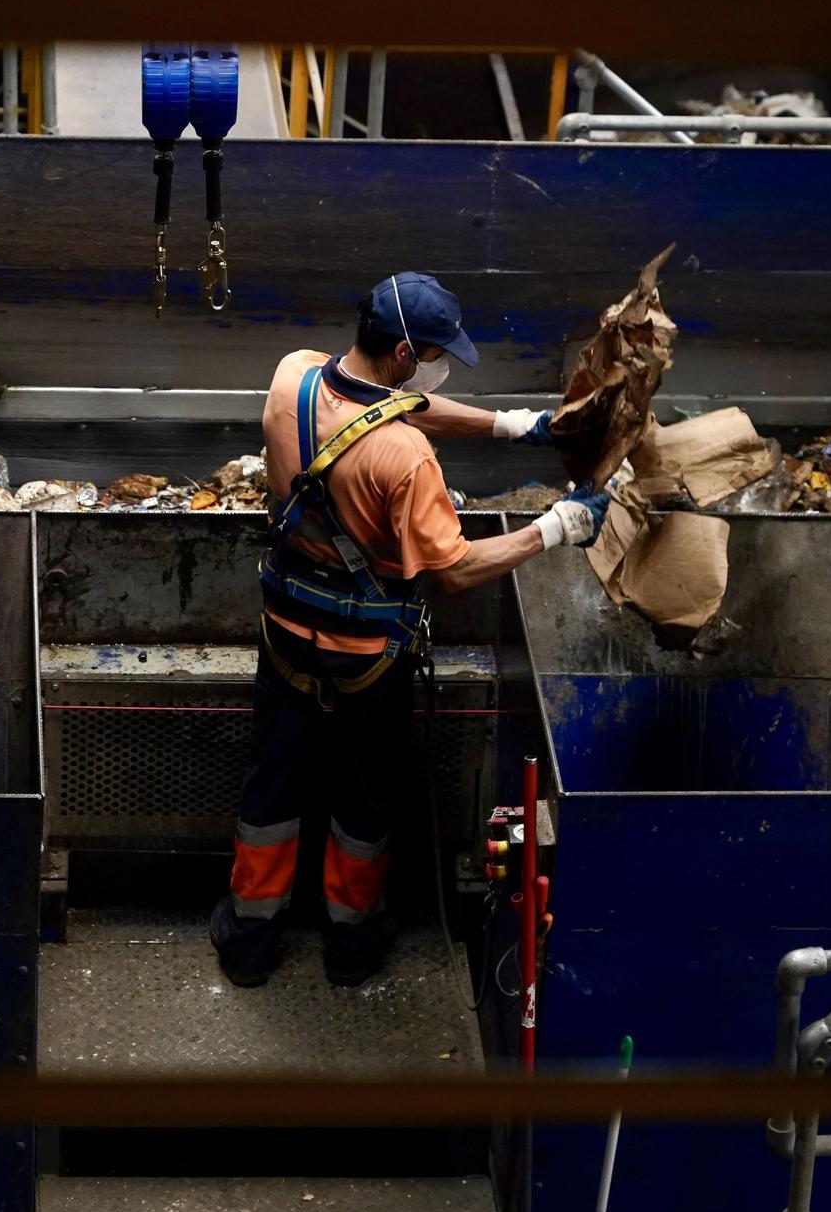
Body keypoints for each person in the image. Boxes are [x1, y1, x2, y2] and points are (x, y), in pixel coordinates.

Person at [211, 270, 608, 989]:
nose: (434, 364)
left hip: (286, 629)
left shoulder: (292, 376)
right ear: (402, 351)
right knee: (363, 799)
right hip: (366, 659)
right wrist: (555, 527)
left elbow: (392, 407)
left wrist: (511, 425)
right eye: (431, 352)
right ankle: (352, 942)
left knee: (271, 783)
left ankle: (248, 936)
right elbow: (452, 567)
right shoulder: (407, 459)